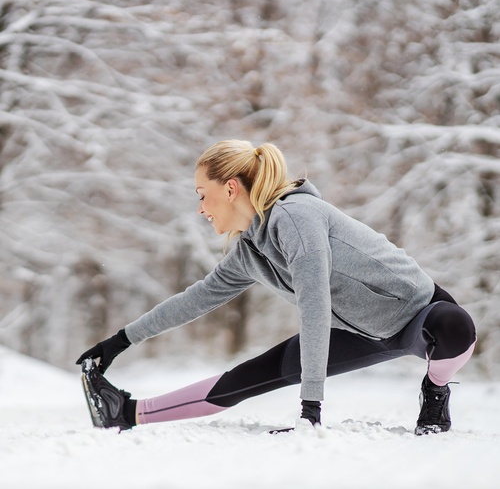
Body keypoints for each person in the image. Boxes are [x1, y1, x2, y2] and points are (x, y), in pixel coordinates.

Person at [76, 139, 476, 435]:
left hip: (421, 317)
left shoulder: (296, 217)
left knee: (455, 327)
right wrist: (119, 342)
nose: (200, 208)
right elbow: (193, 300)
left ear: (230, 189)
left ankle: (436, 388)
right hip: (359, 332)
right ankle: (124, 413)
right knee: (246, 378)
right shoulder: (249, 250)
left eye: (203, 195)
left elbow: (315, 304)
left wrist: (310, 409)